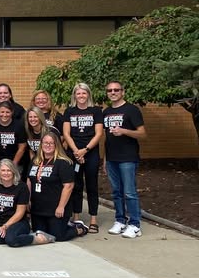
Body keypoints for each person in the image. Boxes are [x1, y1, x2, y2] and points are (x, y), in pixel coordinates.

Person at [102, 81, 147, 238]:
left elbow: (143, 134)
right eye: (109, 90)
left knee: (129, 192)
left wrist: (124, 131)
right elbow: (107, 138)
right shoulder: (106, 112)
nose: (113, 92)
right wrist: (105, 159)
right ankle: (120, 220)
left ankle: (135, 225)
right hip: (111, 158)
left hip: (128, 157)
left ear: (123, 92)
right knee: (116, 192)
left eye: (116, 90)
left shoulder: (132, 110)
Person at [27, 133, 87, 242]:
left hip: (56, 209)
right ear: (41, 144)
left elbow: (69, 186)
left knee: (57, 236)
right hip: (38, 208)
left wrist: (61, 206)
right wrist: (28, 199)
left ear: (56, 145)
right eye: (45, 143)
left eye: (51, 143)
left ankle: (79, 228)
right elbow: (29, 181)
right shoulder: (35, 161)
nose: (48, 145)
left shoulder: (63, 162)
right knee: (39, 233)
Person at [62, 82, 104, 233]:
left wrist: (84, 150)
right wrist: (76, 151)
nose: (81, 96)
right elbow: (66, 133)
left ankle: (93, 219)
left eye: (84, 93)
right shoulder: (69, 111)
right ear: (74, 95)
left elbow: (99, 134)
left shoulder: (96, 111)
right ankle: (76, 216)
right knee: (76, 185)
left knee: (92, 186)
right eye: (78, 93)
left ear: (88, 94)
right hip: (74, 153)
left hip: (90, 153)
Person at [0, 159, 50, 246]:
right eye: (3, 170)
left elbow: (20, 212)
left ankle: (37, 238)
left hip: (18, 223)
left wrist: (5, 226)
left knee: (11, 240)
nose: (6, 173)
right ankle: (16, 237)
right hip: (0, 223)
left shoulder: (21, 187)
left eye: (9, 170)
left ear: (14, 171)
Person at [0, 101, 27, 178]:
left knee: (15, 182)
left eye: (7, 112)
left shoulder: (19, 125)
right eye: (2, 112)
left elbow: (22, 147)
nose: (4, 115)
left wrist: (14, 164)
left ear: (12, 112)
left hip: (15, 160)